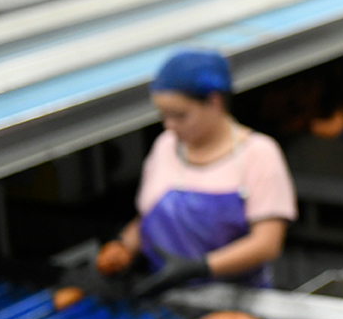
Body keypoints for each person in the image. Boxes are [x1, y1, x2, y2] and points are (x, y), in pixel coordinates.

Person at [100, 49, 297, 296]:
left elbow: (267, 244)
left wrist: (200, 268)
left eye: (180, 116)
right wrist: (123, 247)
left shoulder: (259, 154)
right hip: (165, 298)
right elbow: (148, 219)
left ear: (214, 102)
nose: (169, 125)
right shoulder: (165, 146)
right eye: (164, 115)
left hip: (238, 302)